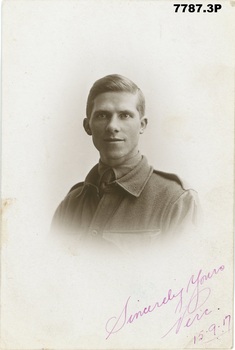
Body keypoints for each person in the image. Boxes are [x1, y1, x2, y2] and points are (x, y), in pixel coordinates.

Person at [51, 74, 200, 254]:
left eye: (125, 115)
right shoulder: (70, 204)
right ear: (87, 126)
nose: (112, 126)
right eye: (102, 115)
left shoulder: (177, 200)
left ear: (142, 125)